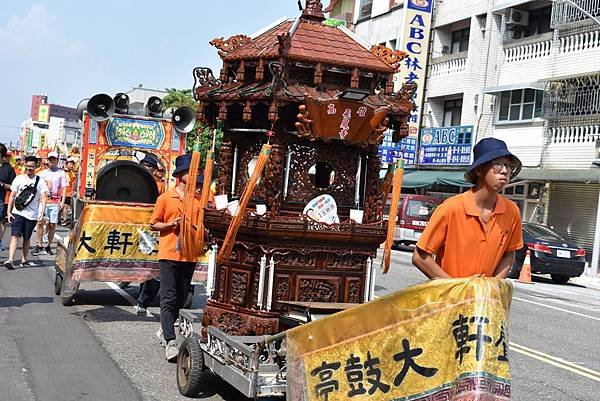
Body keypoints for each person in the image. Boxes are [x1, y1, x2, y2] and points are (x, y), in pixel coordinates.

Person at [412, 138, 524, 279]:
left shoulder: (512, 211)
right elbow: (420, 257)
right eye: (497, 164)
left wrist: (492, 287)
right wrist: (455, 289)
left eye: (508, 166)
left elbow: (509, 253)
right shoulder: (451, 208)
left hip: (484, 299)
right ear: (479, 170)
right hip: (450, 298)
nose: (504, 171)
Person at [150, 153, 203, 361]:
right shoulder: (165, 198)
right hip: (169, 252)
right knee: (169, 296)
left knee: (182, 297)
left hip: (189, 254)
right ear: (180, 175)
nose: (193, 176)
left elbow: (202, 225)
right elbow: (154, 223)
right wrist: (172, 225)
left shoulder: (197, 201)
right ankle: (171, 340)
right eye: (190, 172)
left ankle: (164, 328)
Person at [4, 156, 49, 269]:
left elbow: (43, 197)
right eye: (27, 166)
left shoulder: (40, 181)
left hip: (32, 215)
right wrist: (9, 211)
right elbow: (12, 196)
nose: (29, 168)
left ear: (36, 167)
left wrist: (41, 213)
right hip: (18, 212)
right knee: (15, 235)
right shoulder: (19, 179)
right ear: (25, 165)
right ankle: (10, 260)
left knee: (27, 237)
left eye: (32, 166)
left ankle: (24, 259)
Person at [33, 151, 67, 256]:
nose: (52, 162)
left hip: (55, 201)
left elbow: (64, 188)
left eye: (54, 160)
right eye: (50, 160)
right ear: (47, 160)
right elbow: (36, 188)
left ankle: (48, 245)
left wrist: (62, 201)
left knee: (52, 224)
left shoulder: (61, 173)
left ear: (57, 160)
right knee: (40, 222)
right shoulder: (41, 174)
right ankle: (39, 245)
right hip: (43, 202)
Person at [0, 144, 17, 252]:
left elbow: (13, 186)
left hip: (1, 199)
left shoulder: (8, 169)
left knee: (1, 222)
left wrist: (2, 185)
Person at [62, 158, 76, 225]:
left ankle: (59, 220)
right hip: (64, 192)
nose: (71, 165)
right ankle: (64, 220)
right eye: (70, 163)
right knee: (65, 206)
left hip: (69, 192)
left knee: (64, 206)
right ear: (66, 164)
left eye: (72, 164)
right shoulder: (63, 172)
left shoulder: (72, 173)